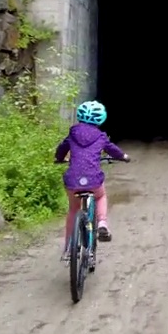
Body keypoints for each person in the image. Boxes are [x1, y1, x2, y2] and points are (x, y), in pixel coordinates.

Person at [55, 100, 129, 260]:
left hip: (73, 180)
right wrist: (123, 156)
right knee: (101, 196)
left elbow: (62, 148)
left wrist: (59, 158)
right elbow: (113, 150)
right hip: (93, 179)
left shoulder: (72, 134)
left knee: (73, 210)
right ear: (101, 119)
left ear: (79, 117)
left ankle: (68, 249)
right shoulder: (101, 136)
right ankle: (102, 223)